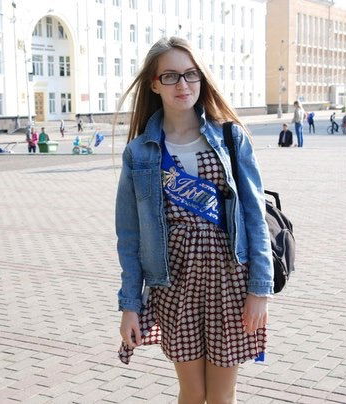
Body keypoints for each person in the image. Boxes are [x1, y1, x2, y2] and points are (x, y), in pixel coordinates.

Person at [115, 37, 273, 403]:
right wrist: (130, 305)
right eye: (170, 76)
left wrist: (259, 290)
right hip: (174, 285)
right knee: (192, 391)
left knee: (221, 395)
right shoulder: (139, 153)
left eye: (190, 74)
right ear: (154, 84)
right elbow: (130, 236)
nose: (182, 85)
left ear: (201, 78)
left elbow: (255, 216)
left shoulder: (230, 137)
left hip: (229, 282)